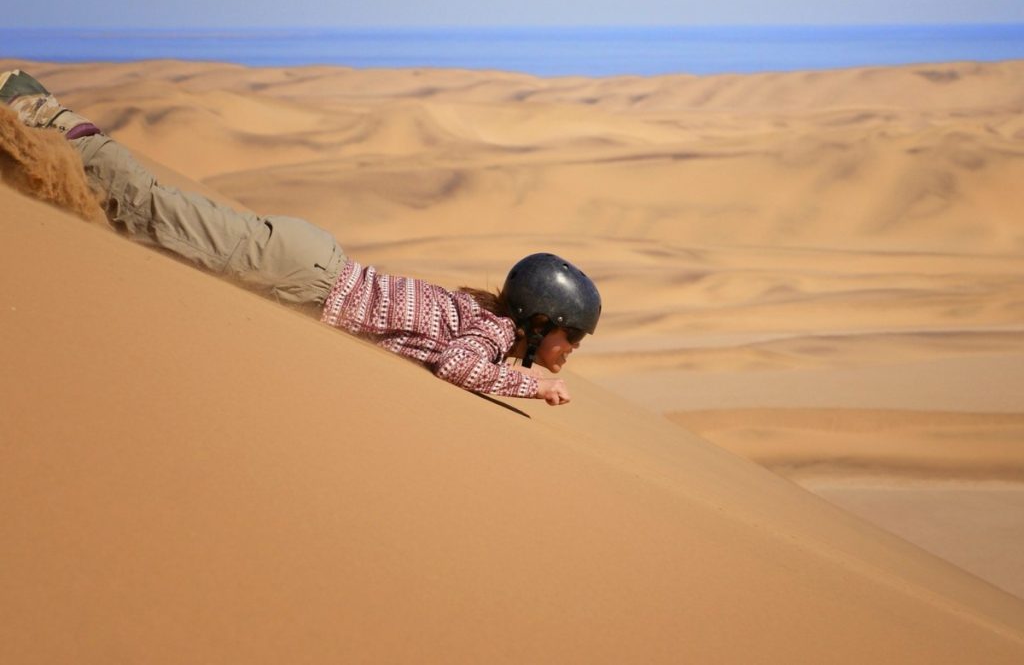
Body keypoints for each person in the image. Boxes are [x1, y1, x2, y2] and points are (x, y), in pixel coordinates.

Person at [1, 69, 601, 406]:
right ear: (539, 320)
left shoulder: (490, 324)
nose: (570, 349)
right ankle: (38, 112)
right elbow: (456, 367)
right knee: (151, 213)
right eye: (569, 335)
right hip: (302, 271)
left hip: (306, 268)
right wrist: (534, 385)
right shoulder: (493, 330)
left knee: (151, 223)